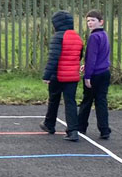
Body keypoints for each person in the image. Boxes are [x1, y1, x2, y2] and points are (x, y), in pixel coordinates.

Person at [40, 10, 82, 142]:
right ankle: (73, 131)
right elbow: (80, 55)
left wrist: (47, 75)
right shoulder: (77, 37)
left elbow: (53, 58)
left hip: (58, 75)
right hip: (73, 75)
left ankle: (49, 124)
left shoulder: (58, 37)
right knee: (70, 102)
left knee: (54, 99)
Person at [78, 9, 112, 140]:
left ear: (101, 22)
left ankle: (81, 126)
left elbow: (92, 57)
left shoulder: (93, 37)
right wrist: (86, 66)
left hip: (95, 74)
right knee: (101, 101)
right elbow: (101, 55)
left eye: (93, 20)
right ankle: (104, 130)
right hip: (105, 72)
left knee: (87, 101)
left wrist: (87, 76)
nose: (90, 23)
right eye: (88, 21)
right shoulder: (104, 35)